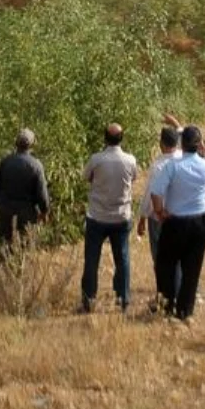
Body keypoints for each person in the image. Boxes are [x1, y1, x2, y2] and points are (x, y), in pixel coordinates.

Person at [147, 124, 205, 321]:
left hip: (175, 221)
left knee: (166, 265)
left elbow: (156, 191)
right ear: (199, 145)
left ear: (182, 143)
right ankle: (185, 311)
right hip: (199, 223)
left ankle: (166, 306)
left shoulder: (173, 166)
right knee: (192, 269)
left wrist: (160, 211)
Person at [80, 123, 138, 313]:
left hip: (97, 216)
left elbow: (86, 177)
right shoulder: (130, 160)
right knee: (122, 258)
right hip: (121, 217)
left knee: (91, 259)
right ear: (122, 139)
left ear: (104, 138)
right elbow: (134, 179)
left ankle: (89, 300)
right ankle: (124, 299)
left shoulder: (96, 159)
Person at [0, 129, 50, 256]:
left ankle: (2, 275)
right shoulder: (36, 165)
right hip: (26, 215)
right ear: (32, 145)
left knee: (3, 251)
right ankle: (21, 275)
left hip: (5, 213)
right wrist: (44, 212)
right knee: (24, 251)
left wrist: (2, 205)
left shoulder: (5, 162)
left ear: (16, 143)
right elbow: (42, 196)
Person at [137, 123, 182, 276]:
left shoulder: (158, 166)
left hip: (159, 217)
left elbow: (150, 193)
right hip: (181, 216)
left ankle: (164, 291)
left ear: (161, 143)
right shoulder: (184, 160)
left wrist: (142, 217)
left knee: (159, 255)